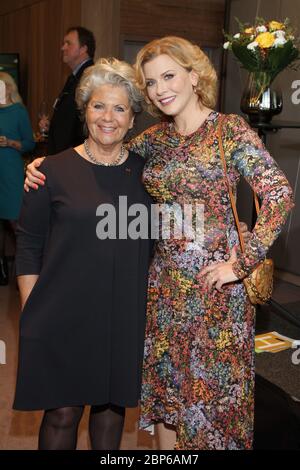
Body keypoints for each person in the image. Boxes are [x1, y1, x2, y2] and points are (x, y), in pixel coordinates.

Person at [24, 37, 293, 450]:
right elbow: (103, 150)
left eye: (168, 76)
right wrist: (47, 165)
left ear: (193, 75)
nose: (160, 88)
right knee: (168, 405)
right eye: (150, 82)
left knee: (212, 406)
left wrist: (240, 264)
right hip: (161, 294)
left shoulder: (228, 131)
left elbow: (279, 195)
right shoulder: (155, 140)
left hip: (213, 294)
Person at [13, 59, 152, 450]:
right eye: (98, 106)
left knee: (111, 413)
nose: (108, 117)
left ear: (132, 119)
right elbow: (28, 246)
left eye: (120, 108)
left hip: (122, 316)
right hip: (62, 314)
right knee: (62, 413)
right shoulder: (50, 171)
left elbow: (172, 234)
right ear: (84, 111)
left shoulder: (150, 176)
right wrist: (32, 312)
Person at [0, 72, 35, 285]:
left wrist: (9, 142)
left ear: (9, 89)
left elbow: (29, 143)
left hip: (10, 174)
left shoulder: (18, 111)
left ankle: (24, 276)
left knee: (16, 225)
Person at [40, 26, 95, 155]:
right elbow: (68, 117)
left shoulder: (91, 77)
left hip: (74, 157)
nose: (63, 48)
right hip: (65, 155)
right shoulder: (74, 77)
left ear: (83, 49)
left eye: (68, 43)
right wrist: (52, 126)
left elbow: (83, 124)